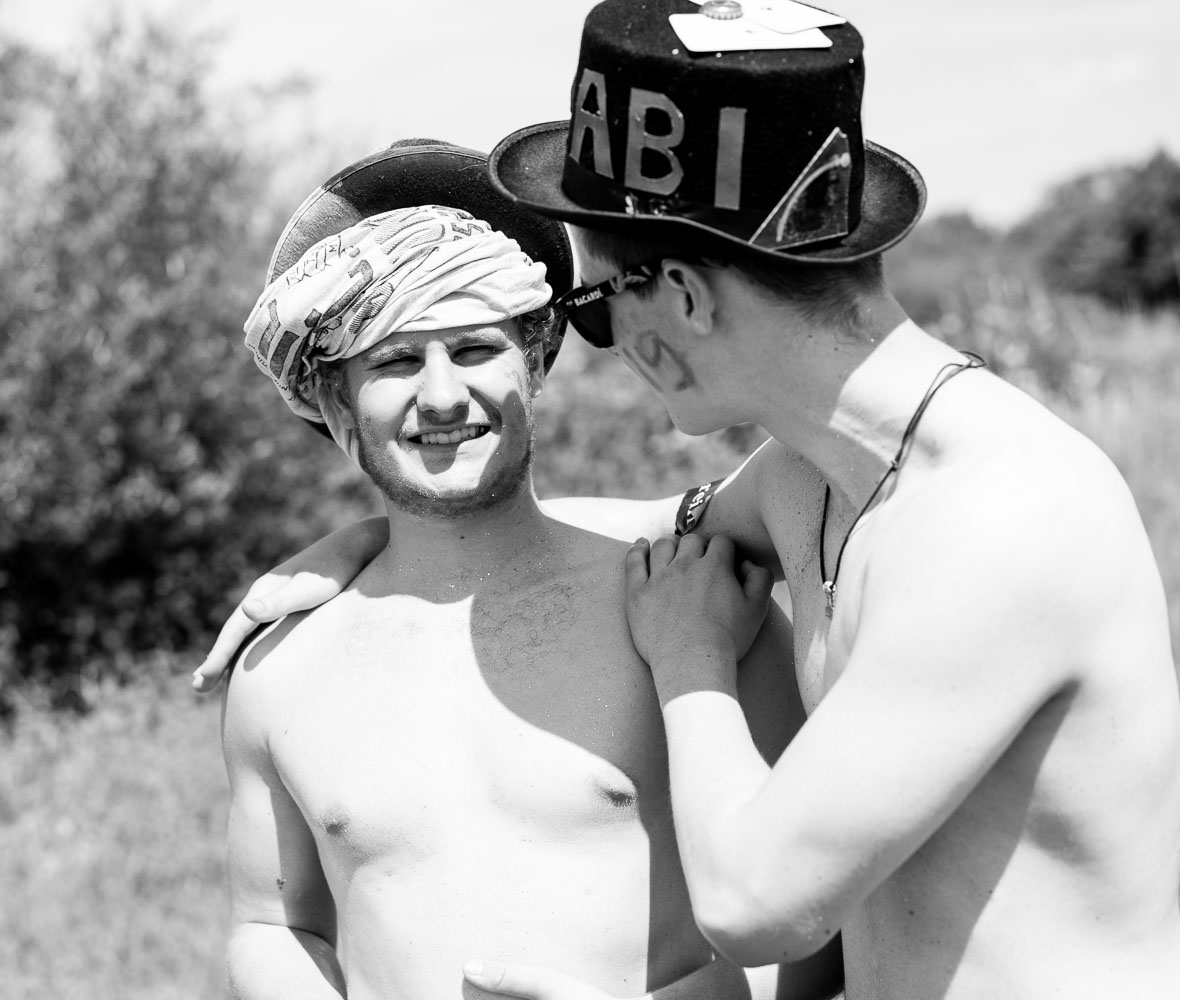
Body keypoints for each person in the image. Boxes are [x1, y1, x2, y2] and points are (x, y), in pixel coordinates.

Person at [205, 6, 1180, 1000]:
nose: (603, 342)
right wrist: (368, 545)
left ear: (681, 296)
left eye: (592, 307)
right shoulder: (814, 478)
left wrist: (690, 657)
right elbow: (615, 530)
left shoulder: (1004, 523)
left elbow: (758, 903)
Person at [221, 141, 842, 1000]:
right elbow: (272, 924)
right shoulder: (281, 669)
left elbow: (818, 921)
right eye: (395, 361)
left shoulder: (688, 607)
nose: (443, 396)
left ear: (538, 358)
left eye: (475, 349)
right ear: (334, 401)